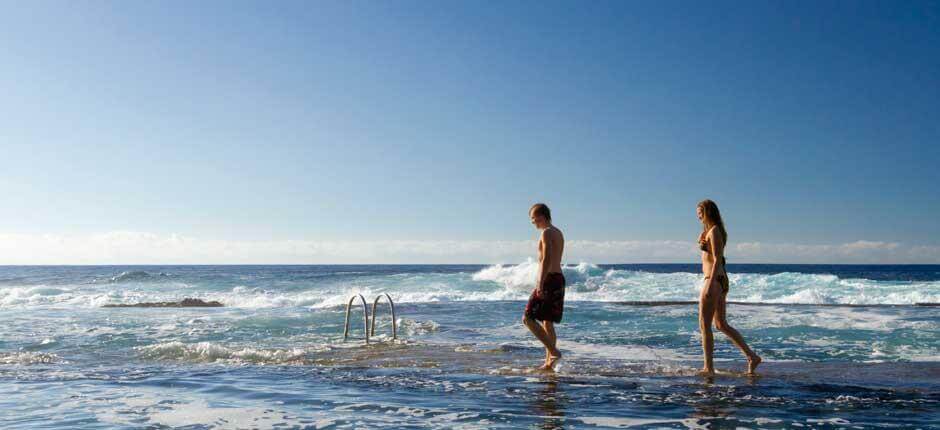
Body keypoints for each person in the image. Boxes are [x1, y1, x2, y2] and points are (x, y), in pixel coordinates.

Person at [696, 199, 762, 376]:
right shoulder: (710, 231)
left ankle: (708, 368)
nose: (699, 217)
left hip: (713, 279)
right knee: (720, 324)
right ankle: (752, 357)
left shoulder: (715, 230)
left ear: (708, 212)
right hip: (719, 280)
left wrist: (710, 284)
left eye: (700, 213)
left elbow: (717, 259)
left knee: (704, 325)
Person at [522, 203, 566, 371]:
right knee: (548, 322)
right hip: (558, 278)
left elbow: (546, 259)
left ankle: (554, 352)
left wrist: (540, 282)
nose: (532, 221)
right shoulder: (558, 232)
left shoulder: (547, 232)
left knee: (527, 318)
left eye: (534, 217)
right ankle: (549, 363)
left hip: (548, 279)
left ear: (543, 216)